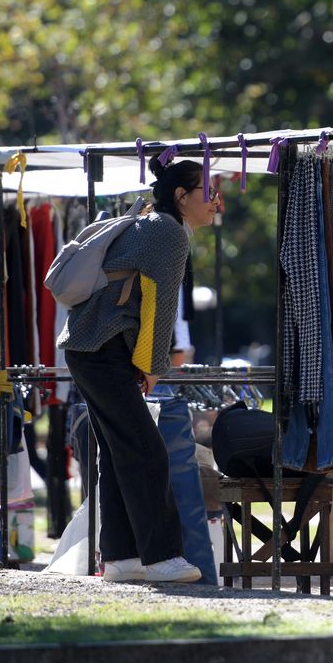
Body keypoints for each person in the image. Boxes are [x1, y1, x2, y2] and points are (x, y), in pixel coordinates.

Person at [57, 157, 220, 583]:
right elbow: (158, 305)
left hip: (90, 346)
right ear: (181, 197)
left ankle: (121, 557)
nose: (216, 201)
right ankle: (163, 556)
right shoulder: (168, 232)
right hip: (102, 348)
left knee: (118, 453)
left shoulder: (155, 224)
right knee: (146, 450)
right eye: (209, 192)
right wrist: (152, 367)